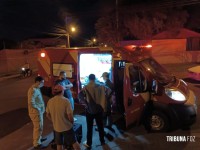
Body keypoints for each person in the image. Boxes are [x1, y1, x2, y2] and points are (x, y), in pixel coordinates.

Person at [80, 74, 111, 149]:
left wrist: (86, 103)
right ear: (94, 78)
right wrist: (104, 98)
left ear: (89, 78)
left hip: (89, 110)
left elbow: (80, 96)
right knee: (100, 127)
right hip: (99, 109)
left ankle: (89, 143)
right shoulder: (101, 85)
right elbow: (109, 91)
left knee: (89, 128)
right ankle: (102, 141)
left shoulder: (86, 87)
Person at [46, 85, 80, 150]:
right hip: (67, 127)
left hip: (57, 128)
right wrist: (72, 123)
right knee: (74, 142)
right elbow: (70, 115)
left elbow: (47, 115)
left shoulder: (50, 101)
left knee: (59, 144)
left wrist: (54, 121)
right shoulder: (66, 101)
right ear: (62, 91)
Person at [27, 76, 46, 149]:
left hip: (39, 112)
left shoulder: (37, 88)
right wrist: (38, 109)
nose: (43, 84)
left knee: (40, 126)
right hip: (35, 113)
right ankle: (37, 144)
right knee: (38, 128)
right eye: (42, 83)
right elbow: (31, 102)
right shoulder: (33, 90)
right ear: (38, 82)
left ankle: (39, 138)